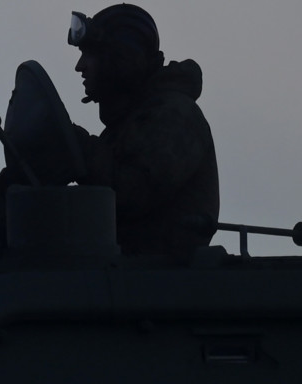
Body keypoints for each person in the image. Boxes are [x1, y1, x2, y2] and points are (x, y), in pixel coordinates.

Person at [68, 4, 219, 257]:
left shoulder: (175, 114)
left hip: (161, 283)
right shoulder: (129, 123)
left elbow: (133, 193)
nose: (80, 66)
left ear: (120, 59)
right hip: (123, 276)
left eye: (90, 55)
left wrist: (76, 148)